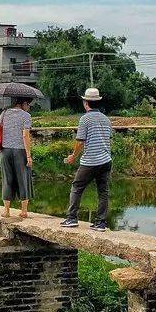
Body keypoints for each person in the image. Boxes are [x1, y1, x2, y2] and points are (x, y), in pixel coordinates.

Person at [60, 88, 114, 232]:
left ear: (86, 103)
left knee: (77, 187)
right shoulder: (106, 119)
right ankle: (100, 223)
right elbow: (109, 139)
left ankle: (71, 218)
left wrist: (73, 156)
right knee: (103, 192)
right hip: (106, 160)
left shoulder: (85, 119)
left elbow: (80, 141)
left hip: (91, 161)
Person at [0, 97, 34, 218]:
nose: (28, 107)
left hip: (5, 151)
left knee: (7, 180)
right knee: (23, 179)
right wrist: (28, 155)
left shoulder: (4, 113)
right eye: (28, 104)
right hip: (20, 151)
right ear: (23, 103)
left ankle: (6, 211)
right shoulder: (26, 115)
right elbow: (25, 135)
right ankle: (23, 211)